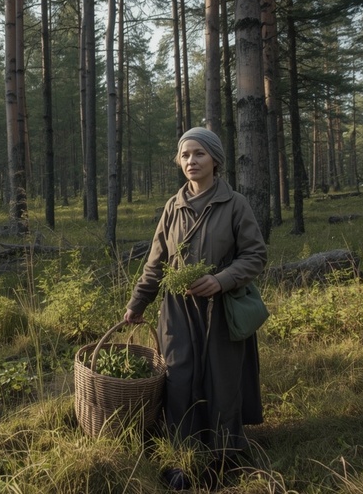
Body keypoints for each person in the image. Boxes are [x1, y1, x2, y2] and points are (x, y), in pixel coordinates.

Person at [123, 127, 266, 489]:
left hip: (221, 310)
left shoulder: (235, 204)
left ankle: (223, 455)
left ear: (215, 160)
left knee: (222, 380)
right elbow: (156, 262)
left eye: (199, 154)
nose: (191, 161)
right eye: (185, 155)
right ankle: (182, 455)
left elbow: (255, 255)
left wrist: (222, 279)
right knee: (179, 379)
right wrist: (138, 302)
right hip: (177, 310)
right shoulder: (174, 206)